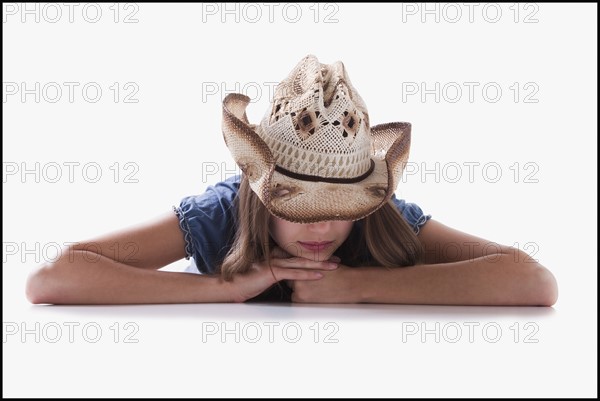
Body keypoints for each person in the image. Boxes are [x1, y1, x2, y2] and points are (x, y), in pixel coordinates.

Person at [25, 55, 558, 305]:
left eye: (340, 204)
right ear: (259, 191)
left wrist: (356, 286)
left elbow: (533, 281)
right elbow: (52, 278)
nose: (323, 224)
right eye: (297, 202)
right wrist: (225, 288)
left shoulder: (382, 222)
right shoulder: (220, 216)